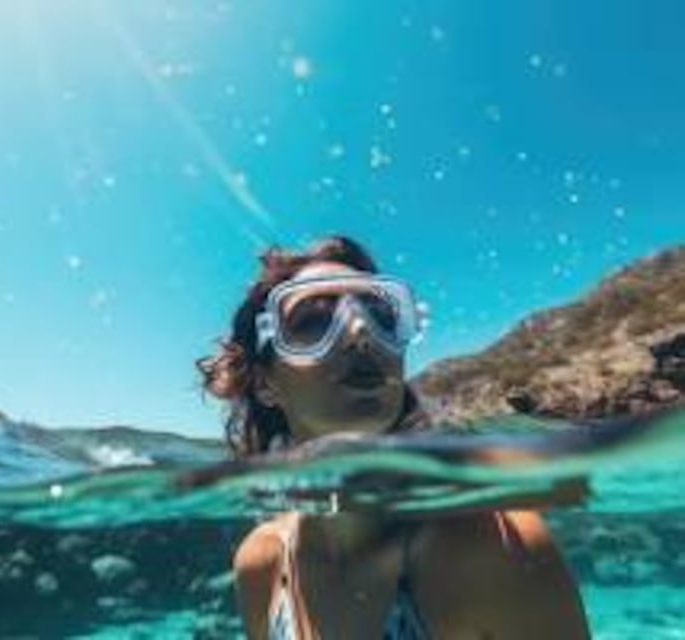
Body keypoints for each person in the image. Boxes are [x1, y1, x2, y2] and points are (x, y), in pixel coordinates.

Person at [197, 236, 590, 639]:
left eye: (381, 317)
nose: (359, 330)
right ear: (264, 384)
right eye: (313, 321)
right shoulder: (262, 563)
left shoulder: (494, 547)